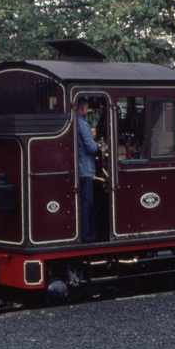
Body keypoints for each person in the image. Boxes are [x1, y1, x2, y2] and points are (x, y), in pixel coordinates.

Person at [76, 97, 99, 243]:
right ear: (82, 107)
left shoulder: (75, 121)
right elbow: (91, 147)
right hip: (84, 170)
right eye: (87, 107)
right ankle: (86, 234)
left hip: (79, 169)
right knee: (86, 203)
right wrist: (98, 146)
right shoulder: (82, 124)